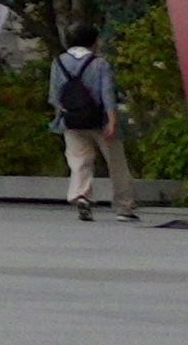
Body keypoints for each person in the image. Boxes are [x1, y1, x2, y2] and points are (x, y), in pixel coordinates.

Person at [46, 23, 141, 228]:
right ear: (93, 40)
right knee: (116, 164)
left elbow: (54, 96)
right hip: (100, 120)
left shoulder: (58, 62)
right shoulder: (99, 63)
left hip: (71, 120)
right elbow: (108, 94)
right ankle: (124, 207)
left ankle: (81, 196)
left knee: (79, 161)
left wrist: (62, 117)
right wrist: (112, 120)